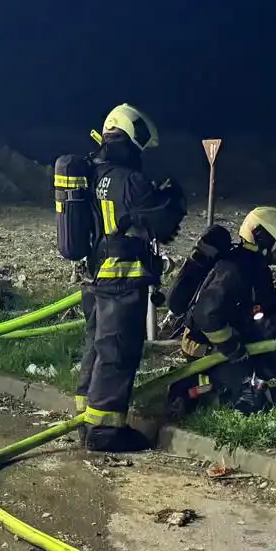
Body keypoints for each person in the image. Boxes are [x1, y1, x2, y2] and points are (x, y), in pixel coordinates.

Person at [75, 104, 186, 452]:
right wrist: (174, 198)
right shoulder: (129, 179)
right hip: (121, 278)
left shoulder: (92, 171)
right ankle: (105, 431)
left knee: (96, 345)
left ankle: (87, 416)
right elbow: (162, 222)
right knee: (118, 351)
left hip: (95, 276)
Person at [173, 206, 276, 415]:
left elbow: (273, 312)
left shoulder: (256, 268)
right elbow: (206, 315)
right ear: (265, 239)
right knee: (243, 401)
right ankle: (195, 388)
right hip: (205, 345)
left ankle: (247, 382)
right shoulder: (235, 269)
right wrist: (232, 348)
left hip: (233, 340)